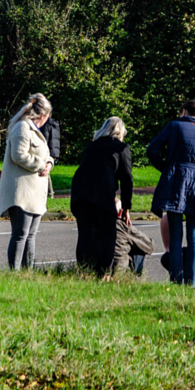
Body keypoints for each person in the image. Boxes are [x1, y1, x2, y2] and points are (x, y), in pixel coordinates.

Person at [146, 98, 195, 287]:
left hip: (176, 182)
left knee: (175, 236)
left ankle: (176, 281)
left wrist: (167, 168)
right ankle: (192, 284)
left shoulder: (174, 126)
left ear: (184, 111)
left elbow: (152, 150)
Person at [70, 117, 133, 278]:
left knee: (85, 235)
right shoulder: (121, 148)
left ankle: (84, 271)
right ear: (120, 132)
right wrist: (126, 208)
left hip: (80, 195)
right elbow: (127, 179)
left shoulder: (90, 146)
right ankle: (104, 273)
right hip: (102, 196)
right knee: (107, 235)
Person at [0, 93, 54, 269]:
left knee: (31, 234)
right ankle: (14, 273)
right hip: (21, 192)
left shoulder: (34, 130)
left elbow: (46, 155)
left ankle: (27, 272)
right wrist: (41, 164)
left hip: (35, 193)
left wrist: (49, 164)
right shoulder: (22, 127)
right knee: (21, 234)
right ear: (43, 115)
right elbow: (19, 155)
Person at [39, 117, 61, 198]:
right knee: (46, 171)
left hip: (47, 150)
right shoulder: (54, 124)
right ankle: (50, 193)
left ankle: (50, 193)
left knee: (45, 172)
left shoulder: (45, 124)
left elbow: (44, 138)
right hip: (53, 150)